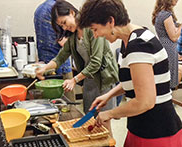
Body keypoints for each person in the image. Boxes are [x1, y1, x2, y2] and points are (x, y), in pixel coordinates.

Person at [78, 0, 182, 146]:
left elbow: (145, 101)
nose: (95, 35)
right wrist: (108, 95)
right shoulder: (129, 39)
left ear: (110, 21)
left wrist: (110, 113)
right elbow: (137, 81)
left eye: (95, 29)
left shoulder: (139, 45)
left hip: (156, 131)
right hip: (140, 127)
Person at [36, 0, 119, 130]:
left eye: (64, 23)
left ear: (72, 12)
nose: (64, 28)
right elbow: (61, 57)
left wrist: (74, 80)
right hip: (89, 81)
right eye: (61, 26)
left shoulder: (92, 28)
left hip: (103, 81)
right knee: (90, 120)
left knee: (103, 120)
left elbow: (96, 62)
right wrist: (44, 68)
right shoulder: (74, 35)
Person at [34, 0, 75, 101]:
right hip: (61, 66)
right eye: (62, 25)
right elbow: (63, 43)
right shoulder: (55, 10)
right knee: (68, 104)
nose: (65, 28)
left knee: (50, 102)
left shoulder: (39, 9)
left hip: (46, 61)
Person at [152, 0, 182, 89]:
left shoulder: (160, 14)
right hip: (169, 49)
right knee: (170, 78)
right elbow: (174, 37)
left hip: (165, 47)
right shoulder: (166, 15)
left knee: (166, 76)